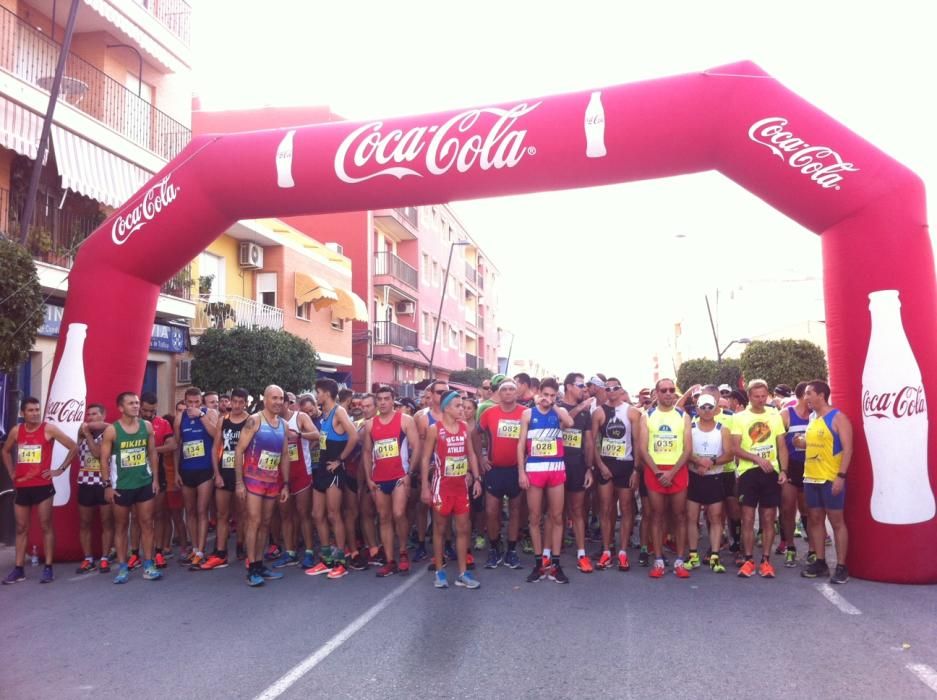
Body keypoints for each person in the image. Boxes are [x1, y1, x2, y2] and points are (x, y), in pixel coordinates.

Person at [2, 397, 78, 584]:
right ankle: (19, 569)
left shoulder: (48, 429)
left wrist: (59, 470)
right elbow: (5, 450)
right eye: (31, 410)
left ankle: (48, 567)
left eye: (37, 409)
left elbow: (73, 446)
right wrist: (12, 471)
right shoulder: (16, 431)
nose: (35, 413)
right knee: (21, 528)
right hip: (22, 486)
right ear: (22, 413)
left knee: (46, 525)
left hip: (42, 486)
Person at [420, 391, 482, 589]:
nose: (462, 409)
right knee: (440, 529)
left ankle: (463, 573)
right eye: (458, 406)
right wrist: (424, 486)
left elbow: (471, 454)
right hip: (441, 487)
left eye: (463, 406)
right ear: (446, 408)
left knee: (463, 529)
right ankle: (440, 571)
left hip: (461, 487)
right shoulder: (434, 429)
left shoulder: (465, 428)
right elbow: (425, 459)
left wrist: (477, 477)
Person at [100, 392, 162, 584]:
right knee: (121, 526)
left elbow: (152, 453)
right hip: (122, 486)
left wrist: (155, 479)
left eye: (136, 403)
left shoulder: (147, 426)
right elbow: (103, 459)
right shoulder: (112, 430)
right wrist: (107, 485)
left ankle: (149, 564)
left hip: (144, 483)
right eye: (131, 403)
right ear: (120, 408)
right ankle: (122, 567)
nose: (135, 406)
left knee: (147, 524)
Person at [731, 379, 789, 579]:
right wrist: (756, 458)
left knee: (768, 519)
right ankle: (748, 559)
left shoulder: (774, 416)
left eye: (764, 396)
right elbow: (735, 448)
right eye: (756, 396)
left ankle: (766, 560)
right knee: (747, 518)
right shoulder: (739, 418)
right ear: (749, 396)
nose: (761, 400)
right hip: (748, 473)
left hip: (771, 473)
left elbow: (781, 445)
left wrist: (784, 470)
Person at [518, 378, 574, 583]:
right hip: (534, 470)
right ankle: (539, 563)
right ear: (539, 392)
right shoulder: (527, 414)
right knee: (534, 518)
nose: (548, 399)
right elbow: (520, 445)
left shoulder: (559, 412)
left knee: (557, 516)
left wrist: (554, 405)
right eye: (546, 394)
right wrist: (521, 472)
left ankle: (556, 564)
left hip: (556, 469)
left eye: (553, 395)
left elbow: (569, 423)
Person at [235, 385, 291, 587]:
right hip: (253, 480)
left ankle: (259, 563)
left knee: (266, 523)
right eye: (274, 398)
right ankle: (251, 568)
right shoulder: (255, 420)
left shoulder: (283, 424)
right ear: (266, 399)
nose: (277, 401)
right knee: (254, 522)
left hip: (273, 481)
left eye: (281, 398)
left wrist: (285, 484)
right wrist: (239, 483)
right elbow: (239, 450)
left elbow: (284, 455)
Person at [362, 386, 421, 577]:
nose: (383, 402)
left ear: (393, 400)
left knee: (398, 513)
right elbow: (367, 452)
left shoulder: (405, 420)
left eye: (387, 398)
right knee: (384, 517)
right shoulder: (370, 424)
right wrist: (369, 478)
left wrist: (409, 473)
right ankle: (389, 560)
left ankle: (403, 551)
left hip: (399, 476)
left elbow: (416, 447)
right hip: (379, 478)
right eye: (379, 399)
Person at [638, 378, 693, 579]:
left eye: (672, 390)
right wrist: (658, 472)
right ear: (657, 393)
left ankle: (680, 560)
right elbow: (643, 449)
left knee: (679, 516)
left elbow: (688, 449)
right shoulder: (647, 416)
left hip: (677, 470)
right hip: (655, 471)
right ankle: (659, 560)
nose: (669, 393)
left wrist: (672, 472)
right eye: (664, 390)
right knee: (657, 515)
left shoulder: (683, 416)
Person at [801, 380, 853, 584]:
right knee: (814, 520)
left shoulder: (838, 417)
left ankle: (841, 566)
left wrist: (841, 476)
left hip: (830, 478)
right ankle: (820, 562)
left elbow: (848, 449)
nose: (806, 398)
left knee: (836, 522)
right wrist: (801, 442)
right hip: (810, 477)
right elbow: (816, 444)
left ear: (821, 395)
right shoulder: (813, 418)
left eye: (808, 393)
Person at [306, 378, 358, 579]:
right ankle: (326, 558)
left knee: (334, 514)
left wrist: (340, 460)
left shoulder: (339, 412)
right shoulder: (324, 415)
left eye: (318, 392)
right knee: (317, 514)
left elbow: (354, 436)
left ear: (326, 393)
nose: (316, 395)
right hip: (321, 469)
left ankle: (340, 560)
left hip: (334, 470)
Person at [591, 377, 643, 572]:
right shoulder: (598, 412)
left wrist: (637, 470)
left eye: (616, 388)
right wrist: (599, 464)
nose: (612, 391)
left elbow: (638, 442)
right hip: (606, 464)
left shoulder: (632, 412)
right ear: (605, 390)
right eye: (608, 388)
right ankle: (606, 550)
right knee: (605, 507)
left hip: (626, 465)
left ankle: (622, 552)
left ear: (621, 390)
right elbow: (593, 441)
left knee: (627, 508)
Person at [475, 379, 526, 569]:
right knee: (491, 511)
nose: (508, 392)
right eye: (504, 389)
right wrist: (481, 456)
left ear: (516, 393)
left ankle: (511, 551)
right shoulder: (489, 413)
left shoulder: (524, 413)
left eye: (512, 389)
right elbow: (475, 433)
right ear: (499, 392)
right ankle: (495, 547)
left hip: (515, 469)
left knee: (515, 511)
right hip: (494, 469)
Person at [201, 388, 251, 570]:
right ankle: (220, 553)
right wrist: (217, 474)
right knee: (222, 515)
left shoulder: (251, 421)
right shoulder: (224, 420)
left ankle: (241, 545)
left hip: (244, 475)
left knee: (242, 514)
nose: (237, 405)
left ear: (245, 402)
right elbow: (216, 448)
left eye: (241, 402)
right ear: (230, 401)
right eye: (234, 401)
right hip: (225, 471)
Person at [685, 394, 733, 573]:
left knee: (715, 517)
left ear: (715, 409)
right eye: (702, 407)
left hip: (715, 477)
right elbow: (685, 451)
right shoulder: (690, 428)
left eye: (709, 407)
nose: (706, 411)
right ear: (697, 409)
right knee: (691, 517)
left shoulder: (723, 429)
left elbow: (728, 454)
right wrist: (699, 462)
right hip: (694, 477)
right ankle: (693, 555)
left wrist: (710, 462)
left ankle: (714, 556)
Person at [271, 393, 319, 570]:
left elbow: (316, 434)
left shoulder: (300, 417)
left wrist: (298, 434)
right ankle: (289, 551)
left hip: (301, 473)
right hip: (280, 475)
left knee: (303, 513)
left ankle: (308, 551)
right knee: (285, 515)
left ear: (287, 403)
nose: (276, 405)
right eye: (272, 401)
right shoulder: (270, 420)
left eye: (279, 401)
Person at [174, 386, 219, 568]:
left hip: (205, 469)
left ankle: (201, 550)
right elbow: (177, 445)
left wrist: (200, 415)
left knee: (202, 510)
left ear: (201, 401)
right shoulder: (180, 418)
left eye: (196, 402)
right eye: (190, 403)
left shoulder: (210, 413)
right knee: (190, 511)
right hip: (187, 469)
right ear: (185, 402)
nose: (193, 406)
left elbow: (216, 435)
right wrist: (176, 472)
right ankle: (194, 547)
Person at [558, 374, 595, 573]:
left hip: (577, 465)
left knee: (577, 509)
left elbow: (588, 442)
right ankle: (555, 550)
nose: (583, 389)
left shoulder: (586, 414)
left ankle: (582, 553)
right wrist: (580, 408)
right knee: (556, 511)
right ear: (569, 386)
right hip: (556, 464)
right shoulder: (557, 406)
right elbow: (561, 425)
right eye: (580, 385)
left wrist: (589, 468)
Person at [74, 403, 114, 574]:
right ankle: (88, 558)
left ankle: (105, 557)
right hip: (85, 482)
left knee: (106, 522)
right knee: (85, 523)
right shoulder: (81, 433)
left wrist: (89, 435)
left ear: (103, 415)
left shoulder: (109, 432)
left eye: (95, 414)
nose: (90, 417)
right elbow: (78, 452)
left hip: (103, 483)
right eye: (88, 414)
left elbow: (98, 454)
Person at [139, 393, 176, 569]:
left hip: (157, 473)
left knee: (159, 514)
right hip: (134, 474)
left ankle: (159, 552)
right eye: (146, 410)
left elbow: (172, 445)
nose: (149, 414)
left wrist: (153, 450)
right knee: (139, 517)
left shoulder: (163, 423)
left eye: (152, 410)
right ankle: (135, 553)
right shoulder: (131, 424)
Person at [780, 382, 811, 567]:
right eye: (808, 397)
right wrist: (782, 468)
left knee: (809, 510)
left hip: (811, 466)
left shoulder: (816, 415)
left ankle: (813, 550)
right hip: (791, 466)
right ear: (801, 397)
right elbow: (778, 442)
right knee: (787, 508)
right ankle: (790, 547)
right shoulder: (786, 414)